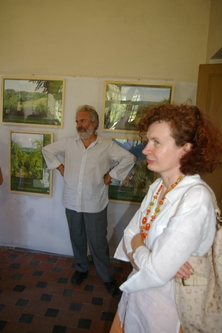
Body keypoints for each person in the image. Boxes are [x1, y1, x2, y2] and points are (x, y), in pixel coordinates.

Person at [110, 103, 222, 332]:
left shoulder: (195, 198)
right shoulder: (158, 187)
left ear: (186, 149)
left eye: (156, 143)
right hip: (134, 305)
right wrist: (151, 257)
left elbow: (154, 272)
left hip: (166, 313)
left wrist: (142, 250)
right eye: (148, 140)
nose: (145, 149)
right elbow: (129, 233)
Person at [42, 105, 136, 295]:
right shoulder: (69, 143)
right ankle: (81, 269)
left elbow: (130, 158)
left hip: (95, 202)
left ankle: (107, 277)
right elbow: (47, 150)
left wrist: (112, 175)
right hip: (71, 200)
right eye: (77, 121)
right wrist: (61, 168)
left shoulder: (107, 146)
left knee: (98, 242)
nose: (79, 125)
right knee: (77, 238)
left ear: (94, 123)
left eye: (82, 121)